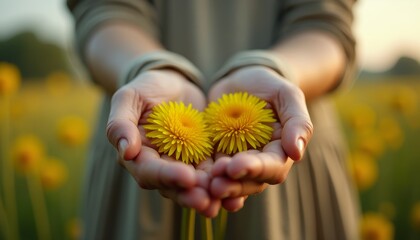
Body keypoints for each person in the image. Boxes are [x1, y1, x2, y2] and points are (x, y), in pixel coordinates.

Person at [66, 0, 360, 239]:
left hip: (283, 139)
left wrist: (276, 70)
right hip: (143, 135)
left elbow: (326, 22)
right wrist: (149, 67)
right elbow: (104, 9)